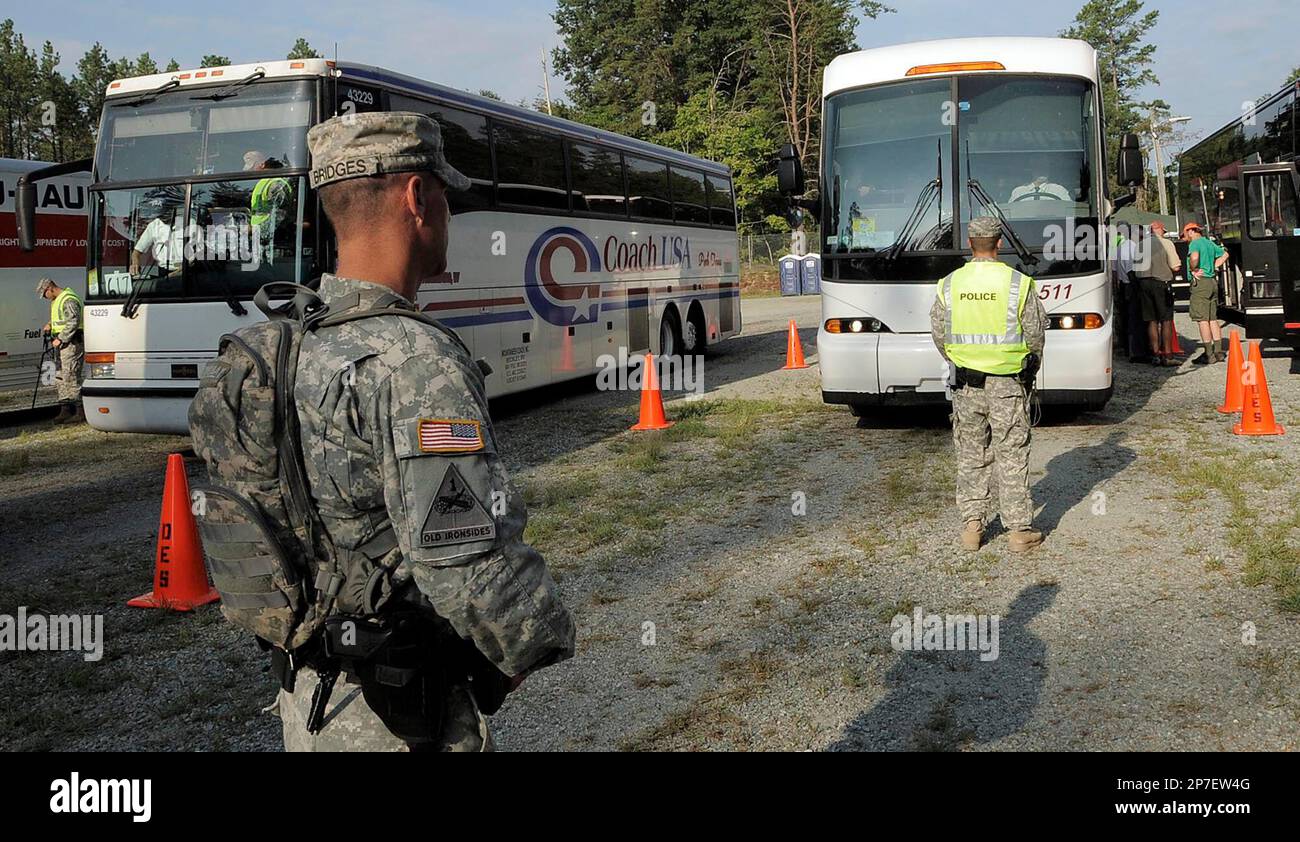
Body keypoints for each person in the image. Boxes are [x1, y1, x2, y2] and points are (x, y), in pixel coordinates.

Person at [274, 112, 574, 751]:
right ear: (417, 198)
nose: (450, 215)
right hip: (401, 716)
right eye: (446, 195)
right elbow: (461, 555)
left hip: (309, 704)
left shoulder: (290, 346)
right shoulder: (417, 363)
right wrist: (539, 637)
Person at [931, 216, 1047, 553]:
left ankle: (972, 528)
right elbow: (1036, 334)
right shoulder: (1018, 283)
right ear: (999, 244)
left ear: (970, 244)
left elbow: (940, 335)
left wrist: (961, 360)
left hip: (966, 385)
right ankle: (1018, 532)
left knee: (971, 455)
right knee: (1011, 454)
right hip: (1008, 384)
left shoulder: (949, 284)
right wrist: (1030, 366)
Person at [37, 277, 84, 423]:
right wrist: (51, 324)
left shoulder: (68, 299)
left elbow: (73, 321)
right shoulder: (57, 300)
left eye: (45, 294)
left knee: (71, 376)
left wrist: (62, 338)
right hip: (61, 345)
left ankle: (80, 410)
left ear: (50, 288)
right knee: (60, 376)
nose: (45, 297)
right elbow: (63, 319)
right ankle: (65, 409)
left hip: (71, 344)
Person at [1183, 221, 1228, 364]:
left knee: (1202, 320)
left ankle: (1208, 354)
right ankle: (1219, 352)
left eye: (1186, 234)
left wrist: (1192, 269)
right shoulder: (1209, 243)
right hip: (1212, 282)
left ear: (1191, 231)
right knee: (1212, 319)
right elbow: (1225, 254)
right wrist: (1214, 266)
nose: (1186, 238)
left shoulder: (1195, 243)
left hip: (1201, 283)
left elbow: (1194, 258)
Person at [1144, 221, 1182, 364]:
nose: (1164, 233)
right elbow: (1176, 266)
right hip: (1161, 283)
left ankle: (1155, 354)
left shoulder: (1141, 245)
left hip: (1144, 285)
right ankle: (1168, 355)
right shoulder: (1166, 244)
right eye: (1163, 231)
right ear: (1159, 230)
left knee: (1151, 320)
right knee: (1166, 319)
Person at [1113, 229, 1147, 361]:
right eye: (1141, 236)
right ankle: (1136, 352)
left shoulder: (1120, 247)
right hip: (1131, 285)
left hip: (1123, 285)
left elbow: (1115, 270)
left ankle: (1128, 349)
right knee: (1135, 319)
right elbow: (1130, 270)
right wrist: (1137, 289)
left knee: (1126, 318)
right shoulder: (1132, 247)